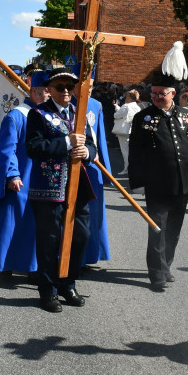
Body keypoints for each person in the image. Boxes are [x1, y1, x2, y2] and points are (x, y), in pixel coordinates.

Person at [26, 68, 98, 312]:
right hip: (48, 186)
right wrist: (67, 143)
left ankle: (68, 283)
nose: (66, 91)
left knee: (81, 236)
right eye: (60, 87)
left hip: (77, 186)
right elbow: (34, 147)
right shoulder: (38, 114)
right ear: (50, 89)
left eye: (70, 86)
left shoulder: (80, 114)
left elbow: (91, 145)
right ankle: (48, 290)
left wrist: (87, 152)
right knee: (49, 240)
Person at [128, 70, 188, 292]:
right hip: (157, 182)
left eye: (161, 93)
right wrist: (138, 181)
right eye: (154, 93)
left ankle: (166, 265)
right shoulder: (143, 117)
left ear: (173, 94)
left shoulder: (185, 115)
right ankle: (157, 273)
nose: (157, 97)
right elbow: (135, 151)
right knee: (157, 228)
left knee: (173, 228)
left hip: (183, 181)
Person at [0, 70, 48, 277]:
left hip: (43, 180)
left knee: (35, 227)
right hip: (22, 179)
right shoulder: (17, 116)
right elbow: (7, 150)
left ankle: (32, 267)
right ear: (34, 90)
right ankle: (6, 264)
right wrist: (12, 175)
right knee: (10, 225)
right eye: (46, 90)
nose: (49, 94)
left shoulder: (51, 115)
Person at [80, 84, 113, 266]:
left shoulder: (96, 105)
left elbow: (101, 139)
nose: (89, 89)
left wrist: (106, 171)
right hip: (75, 166)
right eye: (85, 85)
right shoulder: (67, 104)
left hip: (93, 168)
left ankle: (91, 255)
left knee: (94, 215)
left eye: (91, 86)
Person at [112, 89, 140, 176]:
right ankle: (131, 167)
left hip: (124, 131)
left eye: (127, 96)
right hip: (132, 130)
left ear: (130, 98)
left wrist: (116, 107)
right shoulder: (137, 107)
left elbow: (116, 115)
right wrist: (117, 107)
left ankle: (127, 168)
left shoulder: (126, 106)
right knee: (130, 151)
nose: (125, 98)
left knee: (125, 151)